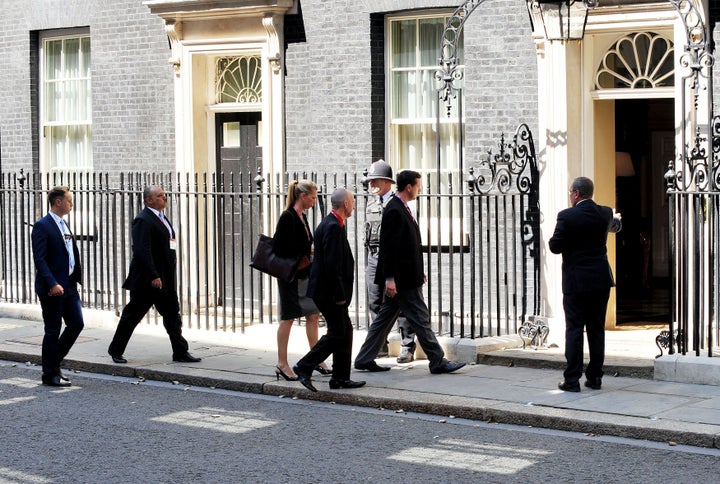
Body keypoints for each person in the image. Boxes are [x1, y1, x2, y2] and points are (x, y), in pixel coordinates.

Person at [354, 170, 466, 375]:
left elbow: (409, 246)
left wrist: (418, 271)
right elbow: (389, 247)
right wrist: (389, 278)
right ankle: (437, 360)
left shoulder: (402, 207)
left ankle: (364, 358)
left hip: (407, 276)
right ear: (409, 187)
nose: (420, 189)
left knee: (383, 320)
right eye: (418, 186)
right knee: (421, 318)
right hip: (402, 280)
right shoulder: (395, 209)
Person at [107, 185, 201, 364]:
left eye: (164, 194)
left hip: (165, 278)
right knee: (132, 315)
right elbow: (142, 250)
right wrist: (153, 275)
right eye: (159, 196)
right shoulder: (143, 219)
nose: (164, 197)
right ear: (148, 200)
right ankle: (116, 350)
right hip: (148, 280)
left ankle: (180, 351)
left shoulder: (160, 217)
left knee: (173, 314)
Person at [549, 176, 622, 392]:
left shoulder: (566, 216)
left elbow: (555, 246)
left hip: (575, 282)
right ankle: (595, 377)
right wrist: (615, 220)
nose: (570, 195)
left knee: (574, 329)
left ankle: (572, 380)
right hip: (600, 280)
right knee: (596, 329)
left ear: (576, 193)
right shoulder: (605, 213)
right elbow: (616, 227)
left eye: (570, 192)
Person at [293, 188, 365, 392]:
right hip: (329, 292)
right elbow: (332, 266)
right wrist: (340, 295)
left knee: (345, 331)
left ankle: (340, 378)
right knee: (337, 332)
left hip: (326, 290)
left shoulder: (331, 222)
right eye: (353, 201)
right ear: (346, 205)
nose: (354, 205)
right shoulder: (333, 226)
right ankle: (304, 366)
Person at [272, 179, 329, 381]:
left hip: (305, 274)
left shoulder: (302, 216)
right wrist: (306, 250)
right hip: (291, 277)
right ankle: (282, 363)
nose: (315, 201)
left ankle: (315, 359)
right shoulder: (288, 217)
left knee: (313, 314)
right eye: (313, 197)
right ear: (302, 196)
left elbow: (305, 243)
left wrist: (311, 249)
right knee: (288, 318)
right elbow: (279, 247)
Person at [364, 160, 416, 363]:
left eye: (375, 180)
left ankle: (407, 346)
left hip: (393, 258)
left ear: (387, 182)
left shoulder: (397, 204)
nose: (372, 184)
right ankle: (380, 345)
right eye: (370, 181)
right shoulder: (371, 204)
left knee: (402, 304)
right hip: (374, 256)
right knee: (374, 302)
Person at [32, 186, 85, 387]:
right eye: (69, 201)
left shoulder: (63, 225)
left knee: (77, 324)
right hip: (52, 288)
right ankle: (49, 374)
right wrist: (52, 283)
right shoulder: (42, 226)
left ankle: (54, 364)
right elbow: (40, 259)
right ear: (58, 202)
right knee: (52, 330)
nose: (72, 204)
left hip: (69, 285)